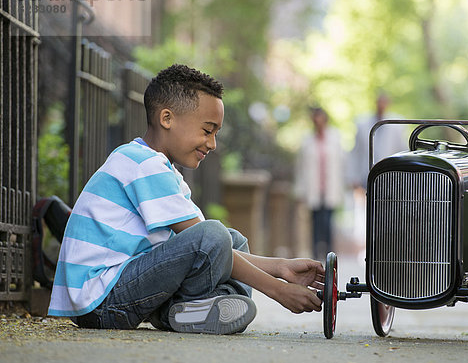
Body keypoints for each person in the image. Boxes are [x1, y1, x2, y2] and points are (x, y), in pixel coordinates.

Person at [48, 64, 324, 334]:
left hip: (121, 290)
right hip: (101, 301)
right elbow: (206, 240)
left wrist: (281, 268)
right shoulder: (142, 164)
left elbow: (215, 247)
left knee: (232, 239)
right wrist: (279, 290)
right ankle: (180, 311)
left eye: (216, 134)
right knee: (214, 235)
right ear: (167, 119)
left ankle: (191, 312)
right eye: (207, 130)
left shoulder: (161, 168)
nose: (213, 144)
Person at [294, 107, 344, 260]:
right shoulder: (307, 141)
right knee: (315, 223)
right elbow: (301, 167)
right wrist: (300, 190)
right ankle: (316, 255)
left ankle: (330, 254)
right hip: (313, 188)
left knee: (328, 222)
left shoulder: (335, 138)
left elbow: (342, 164)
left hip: (330, 188)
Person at [348, 94, 407, 190]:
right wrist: (354, 176)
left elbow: (402, 150)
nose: (381, 105)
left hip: (390, 175)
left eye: (384, 103)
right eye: (379, 102)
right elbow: (356, 152)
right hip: (367, 173)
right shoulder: (362, 123)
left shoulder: (397, 124)